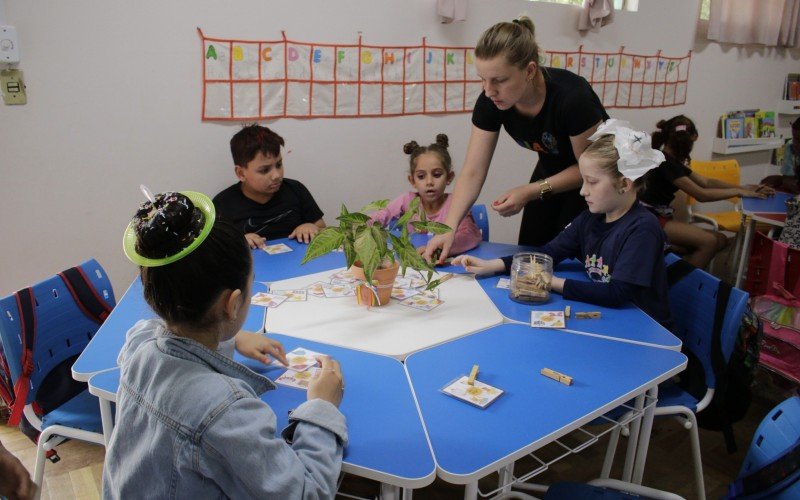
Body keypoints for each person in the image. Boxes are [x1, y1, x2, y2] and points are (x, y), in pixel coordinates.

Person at [103, 191, 347, 498]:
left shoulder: (140, 347)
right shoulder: (224, 411)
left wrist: (228, 336)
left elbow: (148, 330)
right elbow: (307, 494)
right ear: (232, 304)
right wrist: (322, 408)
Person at [453, 120, 673, 329]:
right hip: (611, 320)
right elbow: (549, 253)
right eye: (583, 180)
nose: (582, 191)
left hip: (641, 328)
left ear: (625, 184)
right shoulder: (590, 217)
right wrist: (493, 265)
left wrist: (549, 281)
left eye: (592, 182)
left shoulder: (643, 228)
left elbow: (617, 293)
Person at [424, 16, 608, 263]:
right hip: (547, 177)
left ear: (530, 71)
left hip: (596, 184)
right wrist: (448, 229)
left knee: (573, 265)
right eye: (483, 79)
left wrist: (531, 190)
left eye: (499, 80)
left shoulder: (572, 99)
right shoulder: (491, 101)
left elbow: (591, 168)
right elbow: (473, 171)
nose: (489, 91)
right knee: (529, 261)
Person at [638, 115, 773, 269]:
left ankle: (672, 266)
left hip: (658, 215)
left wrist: (744, 188)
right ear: (693, 139)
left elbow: (706, 182)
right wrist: (739, 192)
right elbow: (701, 194)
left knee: (720, 239)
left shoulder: (669, 159)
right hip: (647, 218)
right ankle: (680, 285)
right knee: (710, 242)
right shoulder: (664, 162)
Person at [213, 124, 326, 248]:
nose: (276, 175)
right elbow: (216, 249)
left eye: (279, 165)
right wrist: (238, 242)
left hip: (300, 264)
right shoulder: (223, 204)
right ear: (241, 173)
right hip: (251, 266)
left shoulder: (296, 190)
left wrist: (311, 227)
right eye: (264, 170)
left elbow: (322, 228)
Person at [371, 134, 482, 255]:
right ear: (412, 180)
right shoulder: (407, 200)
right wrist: (359, 228)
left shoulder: (457, 204)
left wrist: (439, 249)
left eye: (437, 174)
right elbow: (383, 215)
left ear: (449, 177)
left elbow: (471, 235)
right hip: (415, 266)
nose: (429, 182)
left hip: (448, 264)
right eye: (421, 176)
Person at [761, 117, 800, 194]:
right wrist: (783, 181)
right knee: (767, 181)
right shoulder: (790, 146)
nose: (795, 143)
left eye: (799, 140)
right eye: (794, 137)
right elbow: (788, 178)